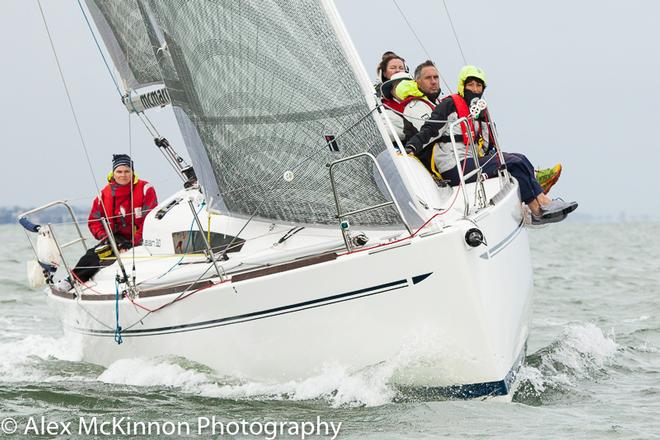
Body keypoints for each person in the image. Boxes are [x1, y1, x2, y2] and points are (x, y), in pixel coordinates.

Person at [404, 65, 577, 224]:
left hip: (473, 162)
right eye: (470, 85)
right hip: (454, 166)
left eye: (479, 86)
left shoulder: (481, 112)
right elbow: (429, 130)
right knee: (513, 162)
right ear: (462, 86)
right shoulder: (450, 105)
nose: (475, 89)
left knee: (519, 159)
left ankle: (541, 205)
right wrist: (410, 148)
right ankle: (539, 208)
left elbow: (488, 144)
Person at [55, 154, 158, 291]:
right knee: (93, 255)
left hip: (142, 237)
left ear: (132, 172)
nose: (123, 175)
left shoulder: (146, 189)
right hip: (115, 239)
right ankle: (71, 281)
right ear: (113, 173)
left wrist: (133, 242)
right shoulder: (104, 194)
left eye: (127, 171)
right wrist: (107, 238)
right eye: (119, 171)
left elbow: (149, 218)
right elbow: (94, 221)